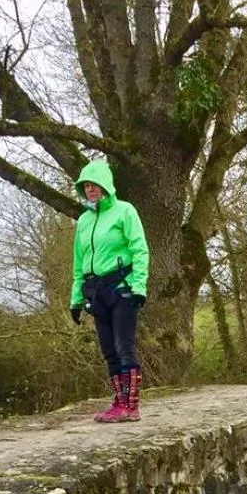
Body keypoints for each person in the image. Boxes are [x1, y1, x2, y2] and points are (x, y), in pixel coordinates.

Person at [70, 160, 150, 423]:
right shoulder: (83, 221)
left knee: (124, 346)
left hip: (123, 288)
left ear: (106, 185)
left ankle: (131, 406)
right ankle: (119, 403)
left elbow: (140, 250)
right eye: (86, 186)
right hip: (96, 292)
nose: (91, 189)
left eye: (95, 184)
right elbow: (79, 262)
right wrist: (76, 298)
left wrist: (139, 286)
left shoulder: (125, 211)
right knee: (108, 350)